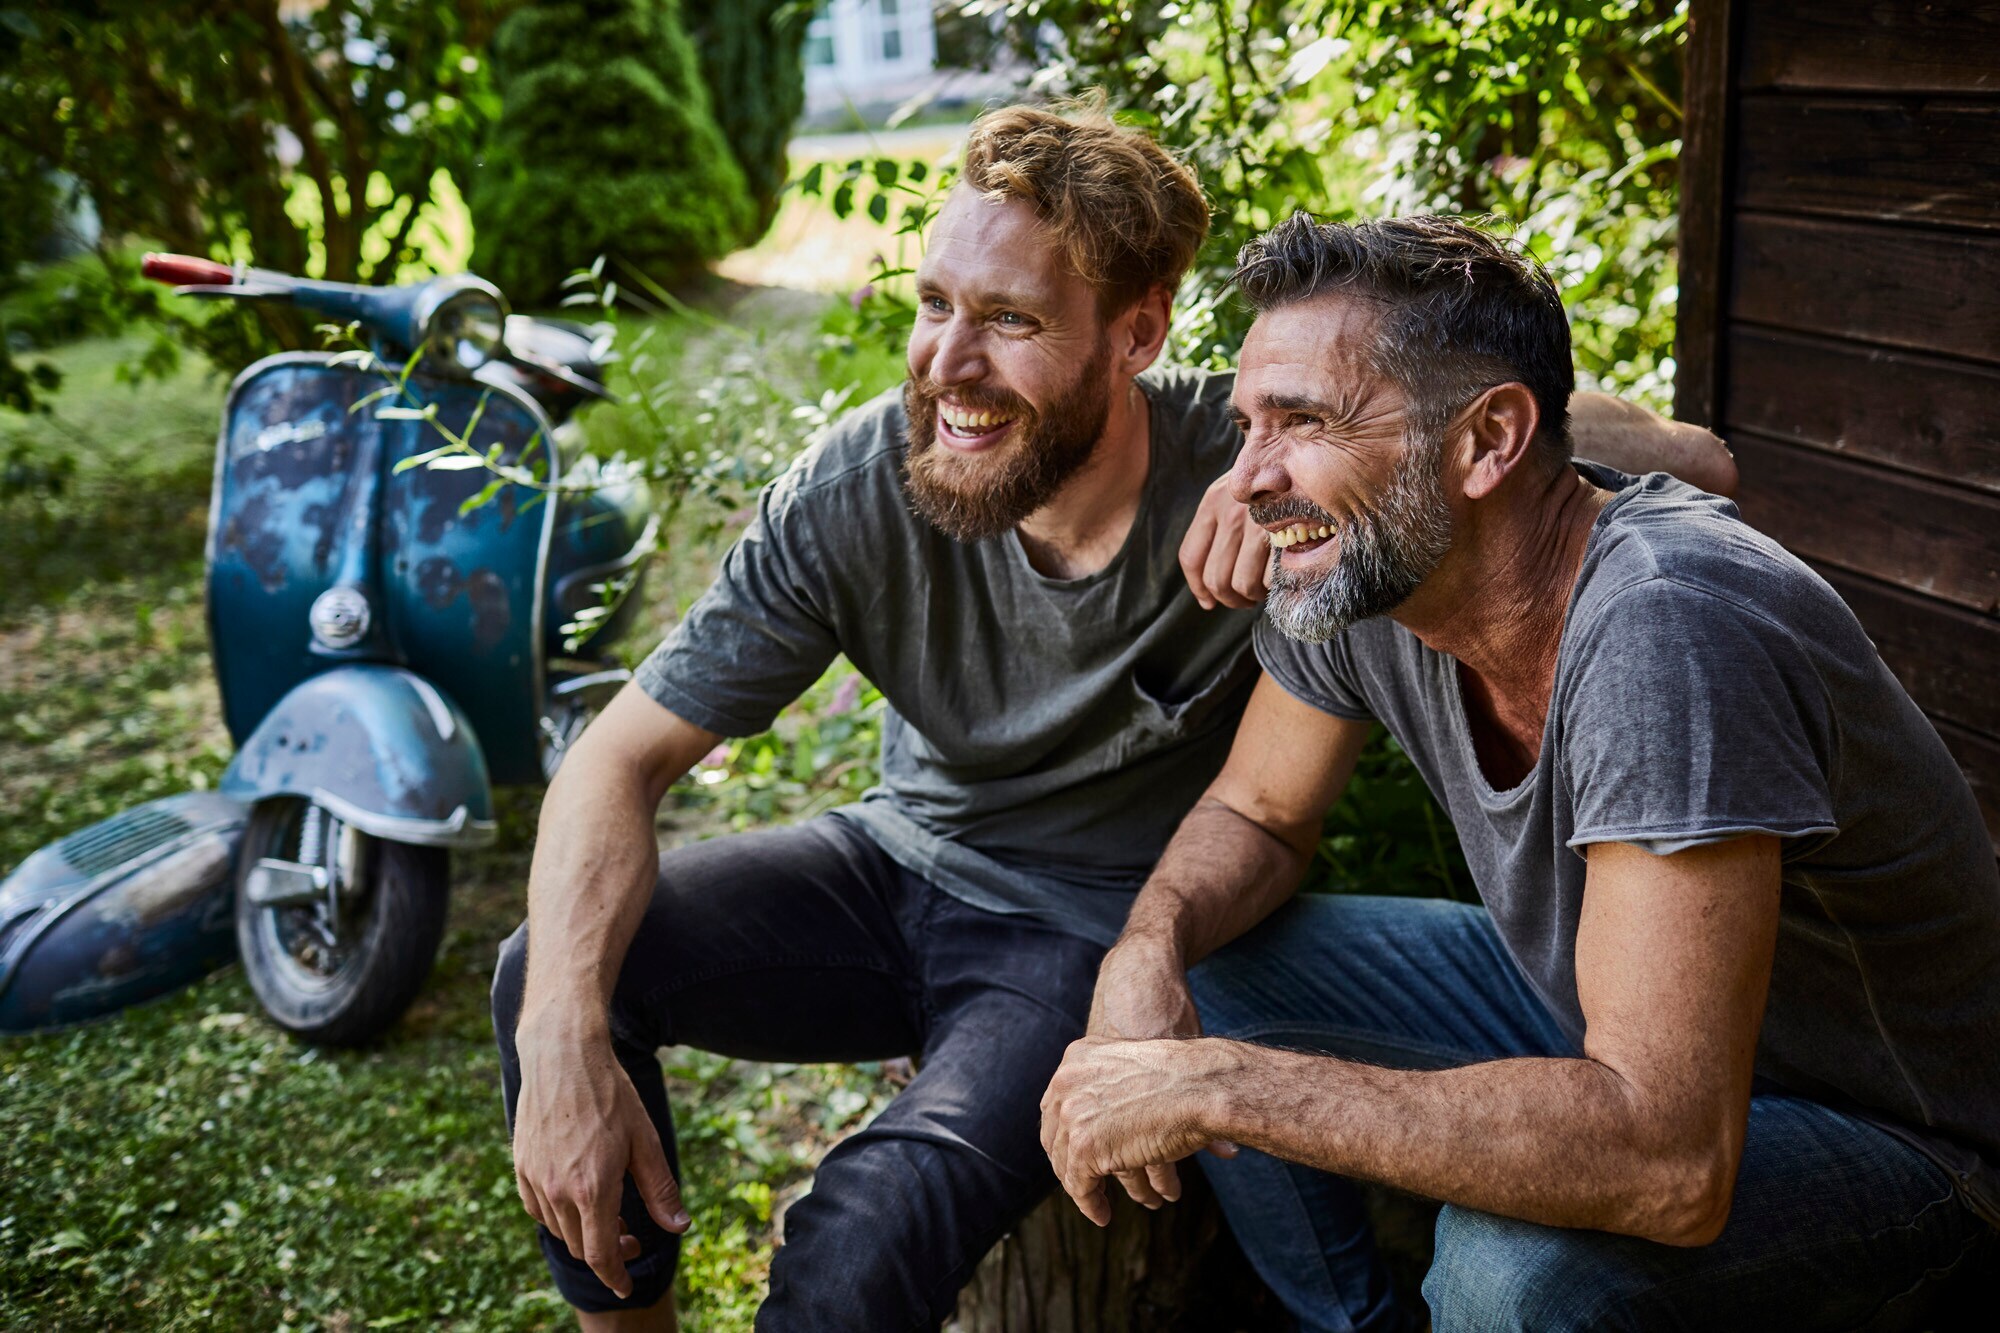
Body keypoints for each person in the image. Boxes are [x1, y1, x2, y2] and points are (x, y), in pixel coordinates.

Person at [493, 104, 1734, 1332]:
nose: (945, 364)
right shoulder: (857, 485)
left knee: (865, 1229)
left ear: (1135, 331)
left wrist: (1346, 467)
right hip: (892, 864)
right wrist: (561, 1038)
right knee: (549, 974)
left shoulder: (1263, 458)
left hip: (1076, 934)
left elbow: (1699, 462)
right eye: (934, 305)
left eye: (1010, 321)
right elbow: (616, 758)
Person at [1040, 212, 2000, 1332]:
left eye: (1301, 422)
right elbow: (1254, 811)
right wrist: (1142, 953)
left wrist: (1218, 1085)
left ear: (1487, 442)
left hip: (1896, 1130)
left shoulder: (1668, 629)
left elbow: (1669, 1160)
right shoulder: (1375, 566)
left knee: (1511, 1267)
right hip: (1603, 1020)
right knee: (1216, 972)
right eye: (1246, 427)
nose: (1247, 483)